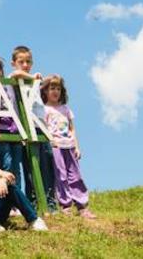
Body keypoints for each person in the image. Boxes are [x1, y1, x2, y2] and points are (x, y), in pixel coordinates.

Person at [9, 45, 57, 211]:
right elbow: (16, 74)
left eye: (28, 61)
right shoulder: (16, 78)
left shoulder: (33, 82)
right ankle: (35, 201)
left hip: (40, 128)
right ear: (13, 63)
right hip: (27, 128)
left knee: (48, 165)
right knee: (32, 167)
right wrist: (32, 76)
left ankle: (51, 202)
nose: (25, 65)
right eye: (21, 61)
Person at [42, 75, 94, 218]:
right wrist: (50, 140)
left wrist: (77, 147)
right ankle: (66, 205)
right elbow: (44, 127)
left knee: (75, 175)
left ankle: (82, 206)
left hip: (69, 145)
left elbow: (72, 129)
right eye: (52, 88)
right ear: (45, 91)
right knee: (61, 175)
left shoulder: (65, 109)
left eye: (58, 88)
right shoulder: (45, 109)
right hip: (56, 146)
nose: (55, 91)